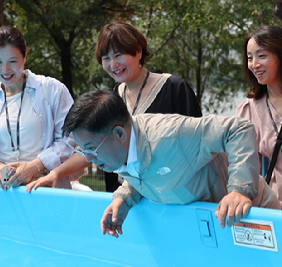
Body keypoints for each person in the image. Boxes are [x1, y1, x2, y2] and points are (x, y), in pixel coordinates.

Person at [61, 89, 280, 238]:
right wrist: (125, 198)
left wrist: (240, 190)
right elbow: (146, 170)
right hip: (222, 223)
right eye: (82, 150)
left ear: (119, 133)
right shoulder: (123, 148)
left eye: (92, 148)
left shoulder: (171, 136)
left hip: (256, 214)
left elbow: (237, 129)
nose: (88, 158)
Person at [26, 21, 201, 193]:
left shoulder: (174, 89)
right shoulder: (110, 99)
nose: (113, 64)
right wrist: (56, 173)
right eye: (106, 58)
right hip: (121, 199)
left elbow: (198, 145)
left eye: (118, 55)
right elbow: (89, 150)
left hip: (171, 195)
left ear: (138, 51)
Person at [0, 26, 76, 190]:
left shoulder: (52, 90)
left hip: (46, 188)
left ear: (25, 55)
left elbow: (70, 141)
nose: (5, 70)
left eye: (12, 61)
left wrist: (35, 166)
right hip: (5, 193)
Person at [236, 25, 282, 206]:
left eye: (262, 56)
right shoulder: (249, 110)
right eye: (249, 58)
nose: (254, 64)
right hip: (277, 211)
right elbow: (244, 169)